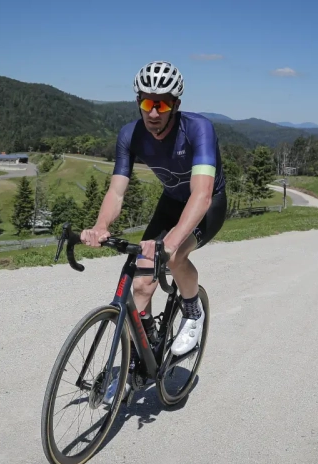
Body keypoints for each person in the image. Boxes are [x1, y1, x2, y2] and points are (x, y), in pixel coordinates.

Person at [80, 61, 227, 397]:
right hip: (172, 201)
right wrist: (101, 226)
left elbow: (202, 194)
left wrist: (172, 242)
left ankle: (192, 310)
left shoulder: (198, 129)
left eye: (161, 103)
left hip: (206, 205)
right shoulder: (130, 135)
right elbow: (117, 190)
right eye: (147, 102)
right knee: (142, 279)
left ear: (175, 104)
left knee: (174, 259)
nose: (154, 112)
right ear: (138, 103)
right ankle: (145, 351)